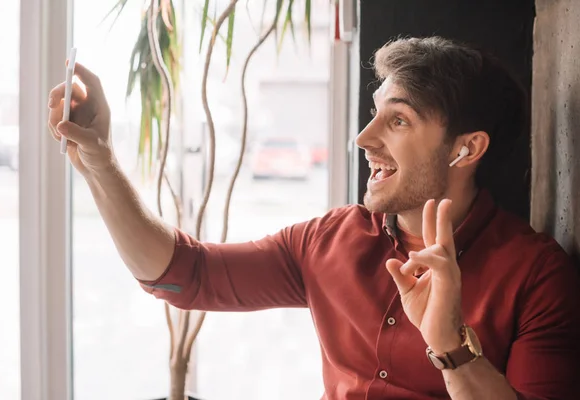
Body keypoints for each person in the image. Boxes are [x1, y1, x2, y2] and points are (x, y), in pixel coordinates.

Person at [47, 36, 580, 400]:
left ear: (466, 150)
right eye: (375, 113)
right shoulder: (331, 239)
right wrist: (100, 161)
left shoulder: (536, 275)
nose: (364, 139)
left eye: (398, 120)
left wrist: (450, 347)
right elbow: (184, 275)